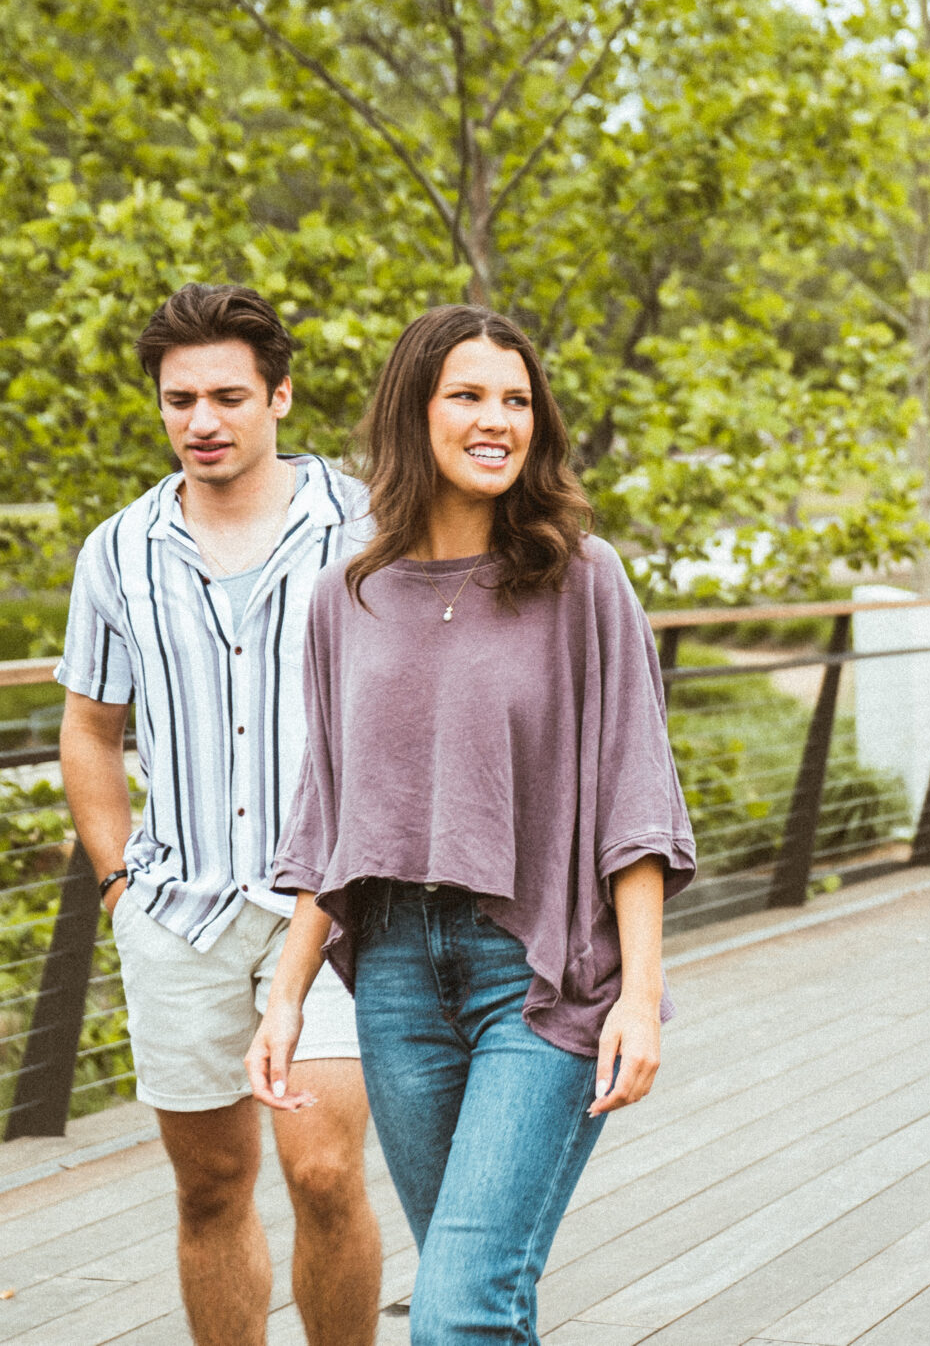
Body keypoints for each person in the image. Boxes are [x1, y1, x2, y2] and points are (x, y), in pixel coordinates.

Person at [243, 304, 695, 1344]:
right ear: (416, 412)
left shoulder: (584, 581)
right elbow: (332, 813)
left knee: (452, 1312)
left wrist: (640, 989)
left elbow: (634, 795)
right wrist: (288, 998)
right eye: (468, 397)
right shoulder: (344, 598)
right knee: (484, 1299)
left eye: (516, 400)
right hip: (396, 978)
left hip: (537, 976)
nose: (497, 420)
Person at [56, 284, 382, 1346]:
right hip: (179, 914)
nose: (202, 420)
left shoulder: (369, 526)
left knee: (324, 1169)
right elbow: (91, 730)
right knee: (211, 1190)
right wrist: (118, 887)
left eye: (229, 396)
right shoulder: (117, 551)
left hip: (331, 909)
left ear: (279, 397)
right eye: (179, 398)